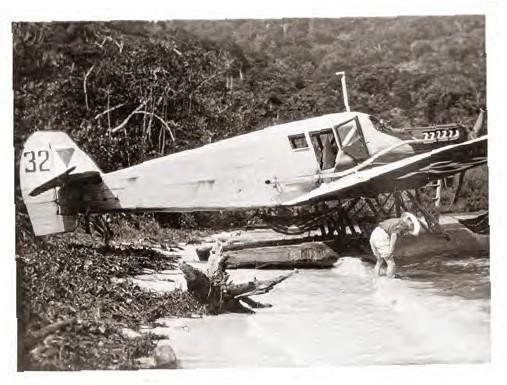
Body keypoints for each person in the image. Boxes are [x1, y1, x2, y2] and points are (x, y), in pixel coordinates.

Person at [369, 212, 421, 278]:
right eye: (412, 223)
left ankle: (376, 279)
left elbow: (395, 230)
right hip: (381, 236)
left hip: (374, 233)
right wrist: (391, 249)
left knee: (379, 261)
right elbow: (394, 235)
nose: (411, 225)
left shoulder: (397, 221)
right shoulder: (403, 223)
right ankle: (390, 283)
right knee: (391, 263)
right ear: (408, 220)